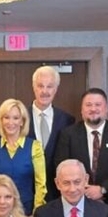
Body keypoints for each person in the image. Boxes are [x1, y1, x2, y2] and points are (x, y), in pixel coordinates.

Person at [53, 88, 108, 206]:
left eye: (98, 104)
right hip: (78, 201)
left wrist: (102, 189)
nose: (93, 109)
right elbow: (61, 165)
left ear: (106, 108)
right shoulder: (68, 134)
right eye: (88, 105)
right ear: (81, 110)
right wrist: (85, 190)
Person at [0, 98, 46, 216]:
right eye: (6, 117)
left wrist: (37, 212)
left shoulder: (35, 147)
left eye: (16, 118)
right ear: (1, 121)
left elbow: (40, 184)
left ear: (22, 121)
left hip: (26, 211)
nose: (10, 122)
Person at [26, 66, 75, 201]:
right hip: (26, 191)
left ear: (56, 89)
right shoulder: (21, 117)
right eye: (40, 86)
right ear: (33, 87)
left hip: (57, 193)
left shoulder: (67, 120)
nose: (45, 91)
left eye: (50, 86)